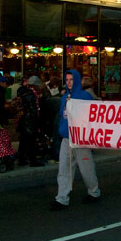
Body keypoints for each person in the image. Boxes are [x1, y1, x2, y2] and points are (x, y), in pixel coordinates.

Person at [51, 69, 101, 210]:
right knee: (64, 169)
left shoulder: (85, 96)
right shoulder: (64, 97)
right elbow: (62, 114)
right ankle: (62, 198)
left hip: (81, 138)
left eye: (71, 80)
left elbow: (92, 114)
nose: (69, 83)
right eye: (67, 80)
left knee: (86, 168)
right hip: (67, 137)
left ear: (77, 80)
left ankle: (94, 192)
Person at [16, 75, 44, 167]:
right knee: (31, 142)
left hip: (23, 121)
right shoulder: (32, 95)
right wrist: (37, 121)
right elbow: (33, 110)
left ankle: (22, 159)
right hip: (29, 122)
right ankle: (33, 160)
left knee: (24, 141)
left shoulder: (24, 93)